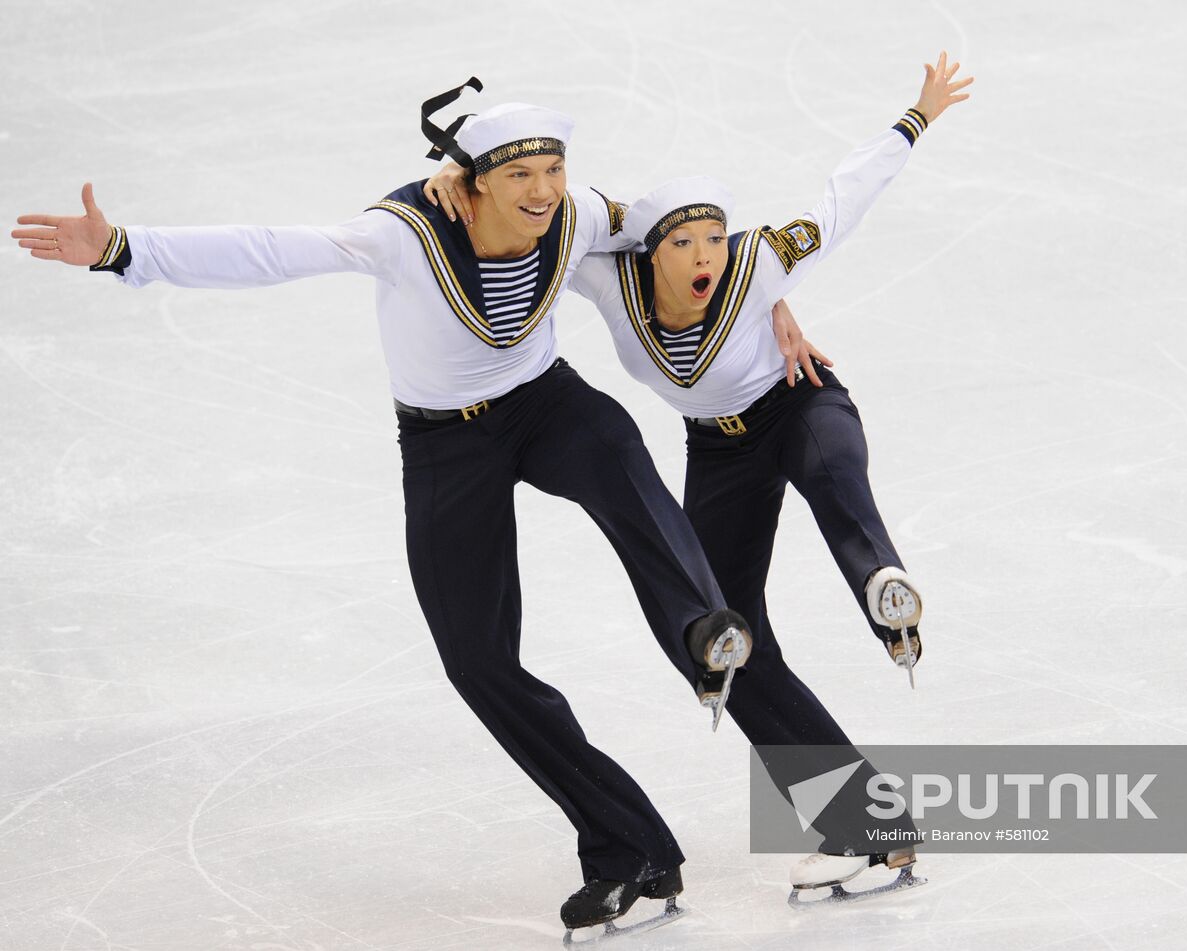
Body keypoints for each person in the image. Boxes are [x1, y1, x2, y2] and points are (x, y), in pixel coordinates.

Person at [10, 90, 758, 932]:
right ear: (471, 182)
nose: (544, 190)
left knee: (623, 463)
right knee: (477, 662)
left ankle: (712, 640)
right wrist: (121, 248)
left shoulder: (579, 214)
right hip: (446, 447)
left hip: (548, 407)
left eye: (553, 170)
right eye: (519, 174)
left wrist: (775, 305)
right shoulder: (406, 235)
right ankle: (632, 846)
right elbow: (272, 250)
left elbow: (687, 236)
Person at [427, 51, 973, 898]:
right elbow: (536, 212)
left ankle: (880, 582)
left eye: (714, 236)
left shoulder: (759, 260)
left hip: (799, 403)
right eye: (681, 240)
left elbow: (842, 198)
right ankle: (868, 825)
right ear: (649, 254)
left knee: (840, 489)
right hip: (716, 451)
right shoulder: (608, 277)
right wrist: (455, 178)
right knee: (726, 639)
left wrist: (917, 117)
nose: (704, 253)